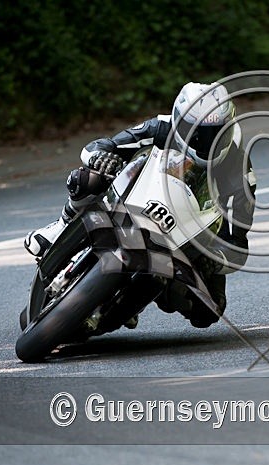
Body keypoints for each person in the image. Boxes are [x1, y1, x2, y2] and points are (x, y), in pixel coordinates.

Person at [24, 82, 256, 327]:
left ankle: (134, 296)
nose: (205, 141)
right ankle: (61, 227)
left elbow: (238, 244)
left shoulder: (239, 168)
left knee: (209, 310)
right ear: (179, 121)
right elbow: (100, 146)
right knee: (88, 177)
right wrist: (102, 159)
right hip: (140, 198)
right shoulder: (162, 126)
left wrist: (216, 259)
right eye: (195, 131)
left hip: (191, 233)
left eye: (215, 134)